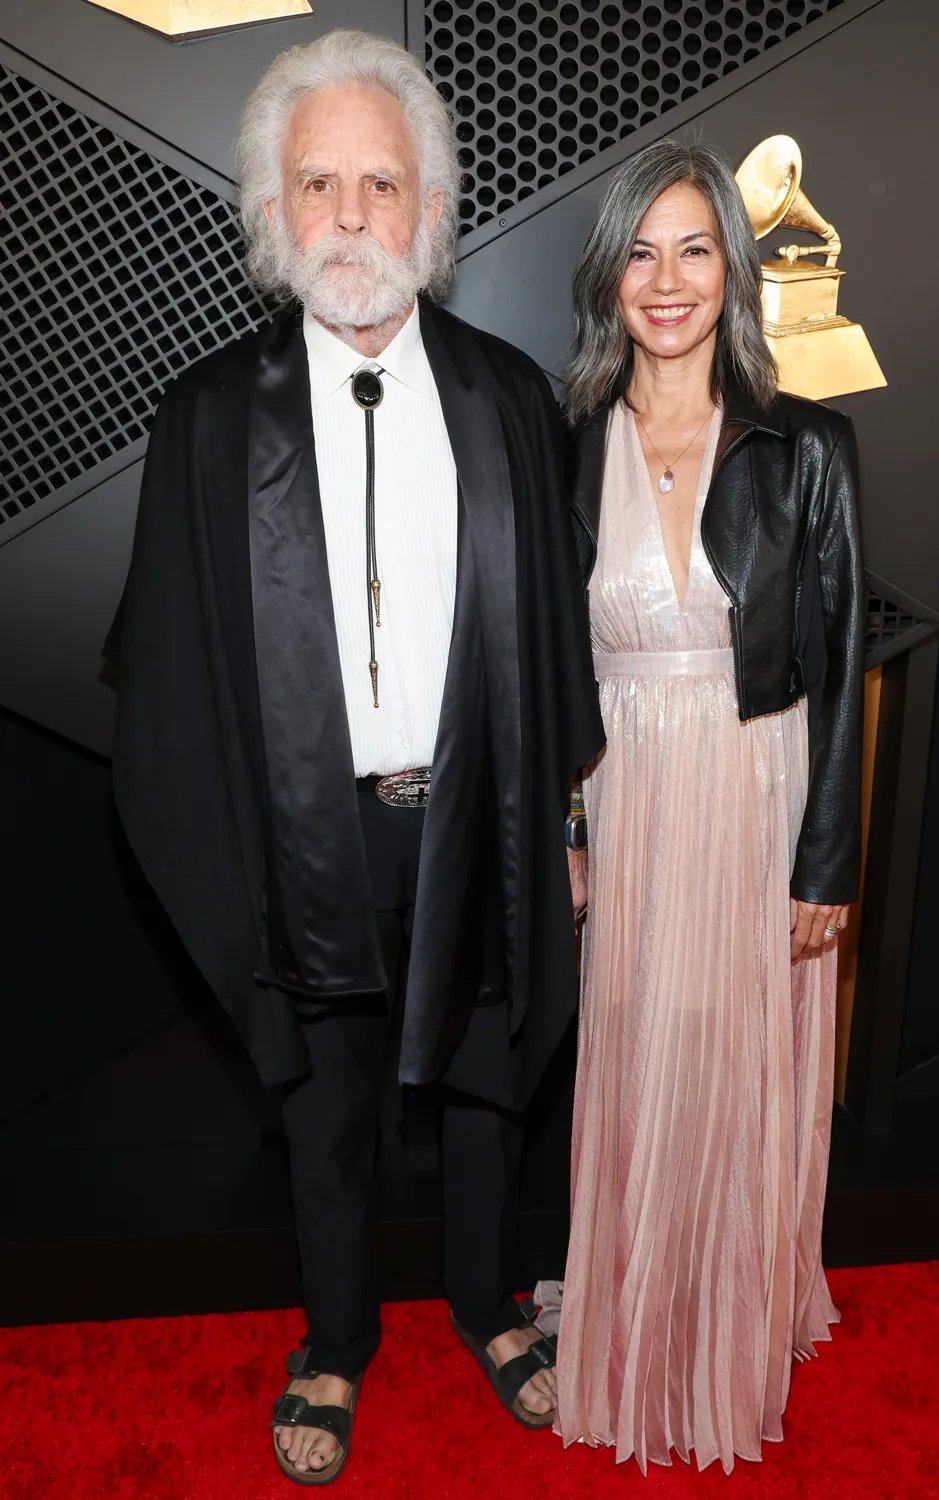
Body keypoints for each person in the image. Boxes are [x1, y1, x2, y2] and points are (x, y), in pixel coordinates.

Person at [107, 30, 603, 1484]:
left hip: (482, 815)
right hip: (302, 830)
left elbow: (558, 645)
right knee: (322, 1099)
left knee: (490, 1073)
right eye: (316, 181)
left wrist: (567, 818)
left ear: (430, 212)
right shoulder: (205, 421)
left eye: (380, 184)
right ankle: (334, 1337)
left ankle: (489, 1303)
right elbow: (169, 671)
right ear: (270, 206)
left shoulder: (509, 398)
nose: (348, 216)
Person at [555, 138, 864, 1473]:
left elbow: (844, 662)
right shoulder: (564, 446)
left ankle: (726, 1323)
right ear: (610, 274)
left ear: (731, 272)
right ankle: (638, 1311)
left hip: (755, 785)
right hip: (623, 797)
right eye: (643, 250)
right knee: (639, 1059)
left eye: (694, 250)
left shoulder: (811, 446)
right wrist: (566, 827)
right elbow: (541, 664)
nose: (667, 280)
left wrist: (828, 863)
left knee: (736, 1071)